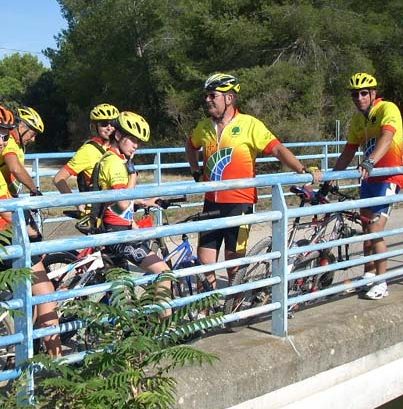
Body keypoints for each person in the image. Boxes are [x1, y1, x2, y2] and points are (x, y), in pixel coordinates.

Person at [185, 73, 322, 292]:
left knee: (234, 262)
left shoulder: (250, 125)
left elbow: (277, 148)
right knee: (205, 261)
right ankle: (206, 309)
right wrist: (195, 170)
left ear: (229, 98)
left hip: (240, 204)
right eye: (206, 96)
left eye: (213, 96)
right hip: (211, 202)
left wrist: (302, 169)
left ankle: (236, 304)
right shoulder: (203, 126)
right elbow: (190, 146)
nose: (207, 100)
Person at [0, 105, 62, 357]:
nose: (1, 141)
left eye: (5, 136)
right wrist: (31, 230)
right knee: (44, 292)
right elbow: (7, 211)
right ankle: (56, 362)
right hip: (1, 236)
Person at [328, 72, 403, 300]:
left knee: (375, 230)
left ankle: (382, 281)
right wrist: (332, 176)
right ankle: (368, 274)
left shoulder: (387, 109)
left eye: (364, 93)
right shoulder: (358, 119)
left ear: (373, 94)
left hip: (388, 179)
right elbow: (349, 150)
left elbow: (387, 137)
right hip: (368, 180)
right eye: (355, 95)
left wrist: (370, 160)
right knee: (365, 231)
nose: (359, 98)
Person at [92, 111, 175, 311]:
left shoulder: (111, 158)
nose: (136, 145)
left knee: (123, 294)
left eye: (139, 141)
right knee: (164, 272)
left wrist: (145, 201)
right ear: (118, 136)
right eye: (132, 140)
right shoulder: (115, 164)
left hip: (113, 229)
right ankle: (164, 330)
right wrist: (133, 176)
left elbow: (117, 198)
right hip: (118, 234)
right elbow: (122, 203)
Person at [53, 103, 124, 213]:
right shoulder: (88, 150)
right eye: (104, 124)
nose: (109, 127)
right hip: (98, 211)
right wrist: (77, 204)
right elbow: (58, 179)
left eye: (112, 123)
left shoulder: (119, 148)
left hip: (117, 208)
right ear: (95, 126)